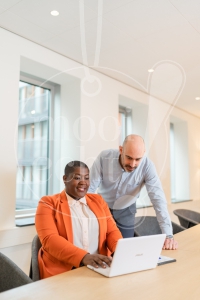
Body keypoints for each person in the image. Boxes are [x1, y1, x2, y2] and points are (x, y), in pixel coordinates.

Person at [88, 134, 178, 250]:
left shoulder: (148, 167)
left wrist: (168, 235)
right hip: (103, 208)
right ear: (121, 150)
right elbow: (89, 190)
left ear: (144, 153)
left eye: (137, 159)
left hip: (127, 210)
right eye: (129, 158)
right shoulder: (104, 158)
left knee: (125, 249)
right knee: (98, 247)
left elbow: (158, 200)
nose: (132, 164)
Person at [35, 161, 122, 279]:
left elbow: (111, 231)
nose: (83, 182)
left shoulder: (98, 201)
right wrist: (84, 257)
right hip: (63, 271)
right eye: (77, 178)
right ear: (65, 179)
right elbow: (50, 240)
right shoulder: (48, 203)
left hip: (99, 269)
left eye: (86, 178)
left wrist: (119, 250)